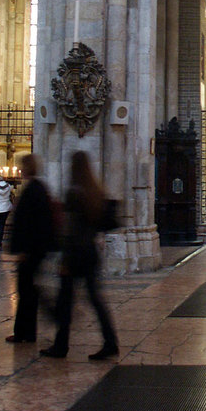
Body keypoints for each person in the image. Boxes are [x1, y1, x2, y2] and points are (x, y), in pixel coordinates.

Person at [41, 151, 119, 361]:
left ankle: (60, 346)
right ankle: (110, 341)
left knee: (65, 301)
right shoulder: (95, 191)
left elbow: (71, 228)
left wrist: (65, 258)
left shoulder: (74, 192)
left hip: (76, 253)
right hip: (90, 253)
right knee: (95, 299)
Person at [7, 154, 54, 343]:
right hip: (35, 249)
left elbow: (28, 223)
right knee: (29, 291)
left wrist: (24, 250)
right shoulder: (39, 188)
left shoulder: (33, 190)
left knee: (26, 291)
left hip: (30, 250)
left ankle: (24, 332)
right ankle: (27, 332)